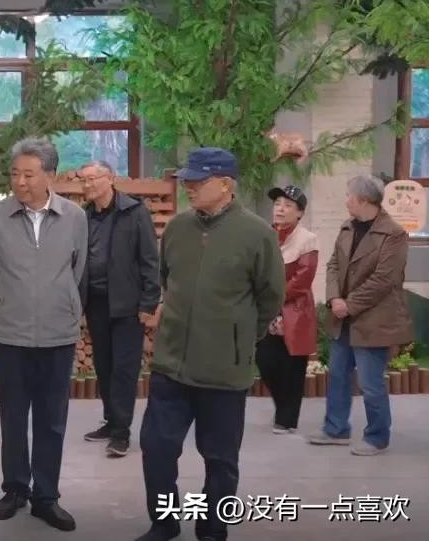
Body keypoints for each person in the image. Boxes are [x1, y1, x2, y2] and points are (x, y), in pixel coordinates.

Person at [135, 147, 285, 541]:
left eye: (198, 181)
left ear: (226, 185)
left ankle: (212, 528)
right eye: (187, 180)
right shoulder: (178, 229)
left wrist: (239, 337)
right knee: (157, 448)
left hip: (223, 369)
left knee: (220, 458)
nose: (189, 187)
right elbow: (167, 279)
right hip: (171, 364)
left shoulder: (257, 234)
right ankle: (165, 522)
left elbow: (271, 297)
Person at [0, 137, 88, 532]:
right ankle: (15, 489)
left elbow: (78, 269)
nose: (20, 182)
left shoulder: (74, 217)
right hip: (9, 337)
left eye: (29, 174)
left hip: (58, 336)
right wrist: (10, 302)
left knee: (53, 420)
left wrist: (60, 302)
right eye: (15, 174)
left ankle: (46, 496)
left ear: (50, 176)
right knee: (13, 416)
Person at [308, 174, 413, 456]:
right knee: (338, 375)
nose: (345, 200)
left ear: (363, 199)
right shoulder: (348, 226)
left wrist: (349, 304)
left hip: (373, 319)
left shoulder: (393, 234)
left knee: (370, 382)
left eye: (348, 195)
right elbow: (333, 265)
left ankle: (377, 437)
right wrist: (334, 298)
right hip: (342, 317)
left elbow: (385, 280)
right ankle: (336, 429)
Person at [77, 160, 161, 457]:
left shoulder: (134, 212)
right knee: (103, 366)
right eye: (83, 180)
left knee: (124, 370)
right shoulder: (84, 216)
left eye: (92, 179)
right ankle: (111, 421)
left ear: (110, 178)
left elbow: (150, 260)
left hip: (128, 305)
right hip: (96, 303)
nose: (87, 185)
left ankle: (121, 434)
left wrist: (149, 302)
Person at [258, 185, 319, 434]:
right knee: (265, 361)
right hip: (266, 309)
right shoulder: (265, 234)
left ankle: (286, 418)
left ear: (300, 212)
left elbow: (303, 279)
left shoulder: (307, 239)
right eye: (277, 204)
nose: (280, 209)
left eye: (288, 205)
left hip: (295, 309)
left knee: (292, 366)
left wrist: (274, 296)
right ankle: (283, 408)